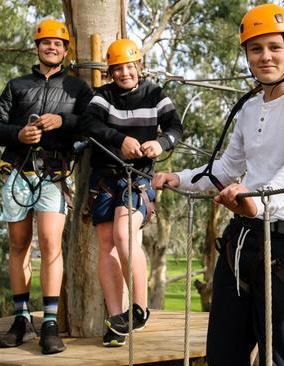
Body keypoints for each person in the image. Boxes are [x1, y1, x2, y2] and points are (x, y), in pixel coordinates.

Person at [152, 4, 284, 365]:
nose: (266, 57)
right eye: (256, 49)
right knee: (223, 354)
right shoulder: (249, 109)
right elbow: (229, 165)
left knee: (277, 357)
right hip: (242, 242)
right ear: (246, 56)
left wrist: (259, 201)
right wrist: (180, 178)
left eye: (274, 47)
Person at [0, 18, 92, 355]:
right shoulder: (17, 86)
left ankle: (48, 323)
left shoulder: (77, 89)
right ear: (37, 47)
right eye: (46, 42)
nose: (52, 47)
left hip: (55, 173)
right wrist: (18, 133)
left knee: (50, 244)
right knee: (18, 245)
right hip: (17, 171)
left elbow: (93, 126)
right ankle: (20, 319)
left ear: (65, 50)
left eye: (58, 43)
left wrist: (65, 121)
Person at [79, 38, 183, 347]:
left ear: (138, 66)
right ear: (111, 72)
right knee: (106, 244)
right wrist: (119, 139)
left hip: (136, 178)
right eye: (118, 69)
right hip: (104, 178)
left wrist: (160, 144)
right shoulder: (103, 96)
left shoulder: (155, 94)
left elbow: (175, 128)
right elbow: (88, 124)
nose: (125, 73)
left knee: (125, 234)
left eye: (130, 67)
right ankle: (117, 318)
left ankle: (139, 307)